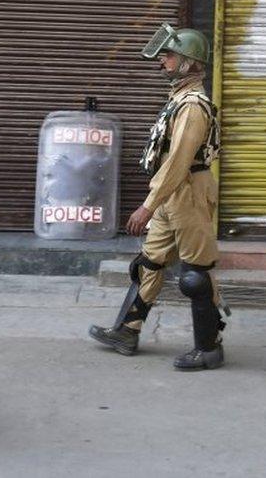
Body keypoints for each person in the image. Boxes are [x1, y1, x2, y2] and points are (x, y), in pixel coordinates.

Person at [89, 23, 226, 371]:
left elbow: (180, 161)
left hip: (188, 193)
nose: (162, 60)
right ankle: (126, 331)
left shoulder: (193, 106)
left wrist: (148, 206)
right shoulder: (179, 99)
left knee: (197, 275)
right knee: (148, 264)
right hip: (171, 195)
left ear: (190, 63)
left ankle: (209, 348)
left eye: (170, 55)